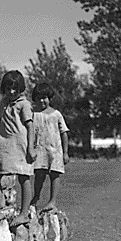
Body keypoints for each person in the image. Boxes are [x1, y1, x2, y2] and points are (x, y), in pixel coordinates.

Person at [0, 70, 36, 229]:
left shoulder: (24, 105)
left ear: (20, 88)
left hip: (19, 144)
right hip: (3, 143)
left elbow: (30, 127)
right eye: (8, 88)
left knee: (24, 177)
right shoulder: (4, 102)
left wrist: (31, 148)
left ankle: (24, 214)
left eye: (15, 89)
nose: (11, 92)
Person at [30, 83, 70, 214]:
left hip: (54, 150)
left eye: (45, 97)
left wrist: (65, 152)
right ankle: (36, 197)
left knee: (54, 174)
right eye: (39, 98)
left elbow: (64, 132)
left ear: (50, 98)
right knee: (39, 175)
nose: (42, 101)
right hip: (39, 149)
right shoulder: (32, 114)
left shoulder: (56, 114)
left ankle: (52, 201)